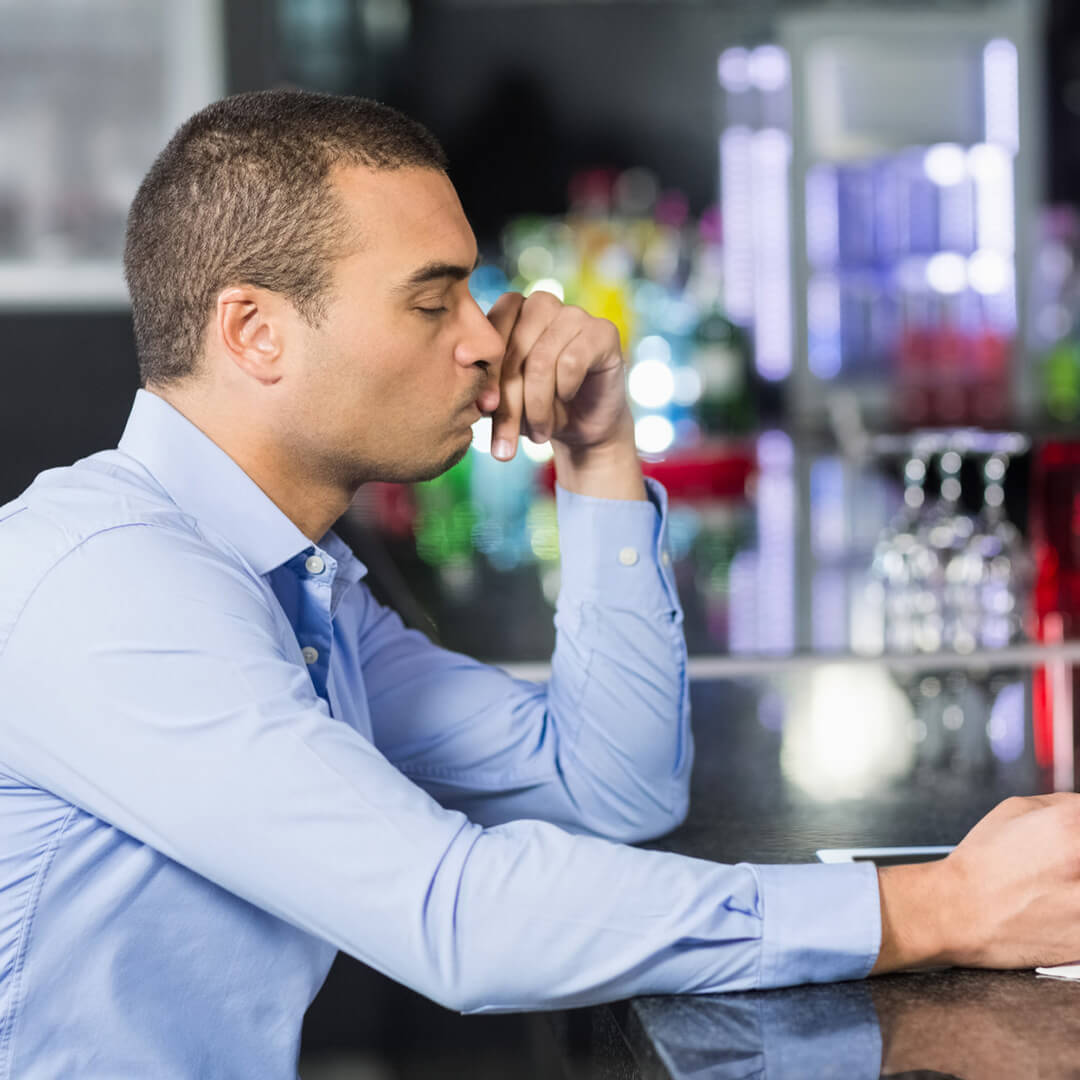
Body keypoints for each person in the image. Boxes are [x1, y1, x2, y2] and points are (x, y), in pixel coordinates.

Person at [0, 89, 1078, 1079]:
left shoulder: (288, 582)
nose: (486, 337)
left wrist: (600, 454)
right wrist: (939, 908)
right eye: (432, 303)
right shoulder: (116, 590)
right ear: (255, 333)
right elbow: (457, 917)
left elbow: (612, 790)